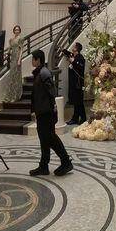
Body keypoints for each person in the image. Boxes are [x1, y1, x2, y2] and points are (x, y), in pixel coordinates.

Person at [29, 49, 73, 177]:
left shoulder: (44, 73)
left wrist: (52, 108)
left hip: (46, 112)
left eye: (33, 59)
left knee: (51, 138)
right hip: (41, 111)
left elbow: (52, 92)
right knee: (44, 139)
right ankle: (44, 166)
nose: (32, 61)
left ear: (38, 60)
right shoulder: (40, 72)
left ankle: (66, 162)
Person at [65, 42, 86, 125]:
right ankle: (75, 118)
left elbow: (80, 66)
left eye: (74, 46)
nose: (72, 47)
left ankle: (83, 118)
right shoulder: (73, 55)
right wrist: (62, 50)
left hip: (78, 83)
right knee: (75, 102)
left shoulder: (80, 57)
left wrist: (73, 61)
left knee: (79, 101)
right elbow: (68, 53)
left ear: (77, 49)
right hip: (73, 83)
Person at [3, 25, 24, 103]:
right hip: (12, 58)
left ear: (20, 31)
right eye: (15, 30)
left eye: (18, 30)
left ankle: (16, 96)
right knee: (12, 77)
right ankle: (9, 96)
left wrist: (19, 60)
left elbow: (21, 49)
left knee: (16, 76)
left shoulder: (20, 39)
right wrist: (6, 54)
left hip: (17, 58)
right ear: (14, 31)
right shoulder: (11, 39)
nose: (16, 31)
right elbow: (9, 49)